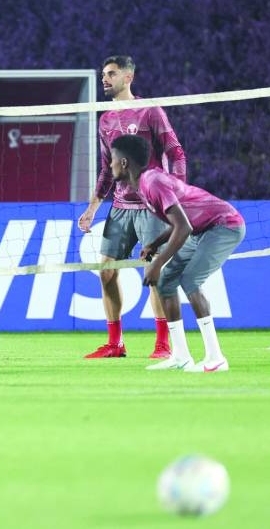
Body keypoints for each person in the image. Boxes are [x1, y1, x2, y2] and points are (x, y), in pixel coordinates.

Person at [77, 55, 187, 359]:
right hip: (120, 207)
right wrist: (92, 208)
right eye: (103, 75)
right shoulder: (105, 120)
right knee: (106, 273)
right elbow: (105, 168)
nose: (105, 79)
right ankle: (116, 343)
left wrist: (178, 191)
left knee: (155, 273)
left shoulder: (150, 110)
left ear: (128, 78)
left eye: (111, 74)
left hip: (151, 205)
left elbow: (176, 152)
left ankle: (164, 344)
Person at [109, 134, 244, 371]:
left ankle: (216, 357)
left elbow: (184, 227)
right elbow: (178, 221)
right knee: (167, 282)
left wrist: (158, 262)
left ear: (124, 163)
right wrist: (154, 244)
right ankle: (181, 356)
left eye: (112, 159)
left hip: (224, 225)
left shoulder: (152, 182)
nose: (109, 164)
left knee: (190, 279)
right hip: (202, 229)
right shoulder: (143, 184)